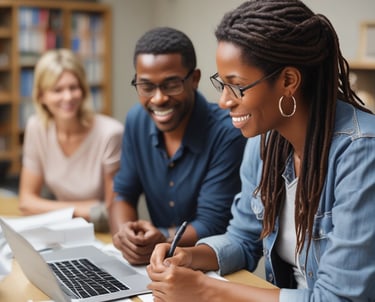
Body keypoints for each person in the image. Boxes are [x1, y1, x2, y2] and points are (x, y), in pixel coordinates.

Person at [146, 1, 375, 301]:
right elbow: (243, 238)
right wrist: (189, 257)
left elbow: (337, 299)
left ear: (288, 81)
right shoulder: (264, 141)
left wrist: (205, 290)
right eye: (221, 84)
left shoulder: (361, 152)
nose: (224, 101)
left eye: (237, 86)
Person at [109, 27, 246, 265]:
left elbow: (212, 223)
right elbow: (123, 194)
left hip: (210, 267)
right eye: (146, 86)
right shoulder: (136, 120)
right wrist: (126, 236)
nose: (158, 98)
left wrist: (164, 239)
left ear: (194, 80)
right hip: (154, 264)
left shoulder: (227, 132)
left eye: (171, 85)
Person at [19, 48, 124, 232]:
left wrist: (47, 208)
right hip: (60, 229)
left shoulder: (110, 134)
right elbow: (26, 202)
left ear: (83, 90)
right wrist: (85, 208)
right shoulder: (37, 128)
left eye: (73, 87)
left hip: (102, 233)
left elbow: (111, 213)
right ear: (41, 96)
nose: (68, 97)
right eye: (57, 90)